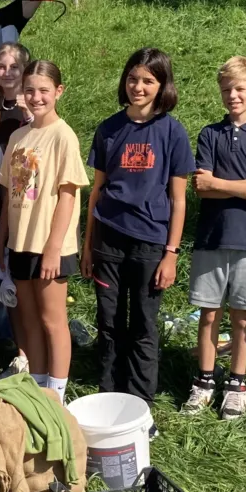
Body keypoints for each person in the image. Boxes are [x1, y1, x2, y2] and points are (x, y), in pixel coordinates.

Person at [82, 48, 194, 404]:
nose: (138, 87)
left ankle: (139, 402)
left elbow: (179, 200)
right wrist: (87, 246)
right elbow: (96, 191)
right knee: (109, 321)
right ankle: (109, 395)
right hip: (108, 239)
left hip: (150, 243)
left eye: (148, 81)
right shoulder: (109, 129)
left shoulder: (173, 132)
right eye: (132, 79)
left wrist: (171, 254)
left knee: (144, 324)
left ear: (162, 86)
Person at [184, 57, 246, 418]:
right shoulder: (210, 134)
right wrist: (243, 186)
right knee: (208, 315)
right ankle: (204, 381)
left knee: (242, 318)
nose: (233, 95)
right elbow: (201, 187)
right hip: (212, 239)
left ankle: (238, 384)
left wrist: (220, 184)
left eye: (240, 88)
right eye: (226, 89)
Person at [0, 61, 87, 403]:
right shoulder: (18, 137)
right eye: (30, 90)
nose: (36, 97)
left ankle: (57, 394)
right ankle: (37, 385)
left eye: (44, 90)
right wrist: (1, 241)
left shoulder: (63, 136)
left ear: (58, 92)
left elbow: (68, 195)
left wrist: (53, 247)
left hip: (50, 244)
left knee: (52, 320)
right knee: (29, 320)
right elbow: (10, 193)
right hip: (20, 243)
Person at [0, 42, 31, 149]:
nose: (7, 73)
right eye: (1, 67)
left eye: (14, 67)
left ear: (25, 69)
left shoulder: (33, 103)